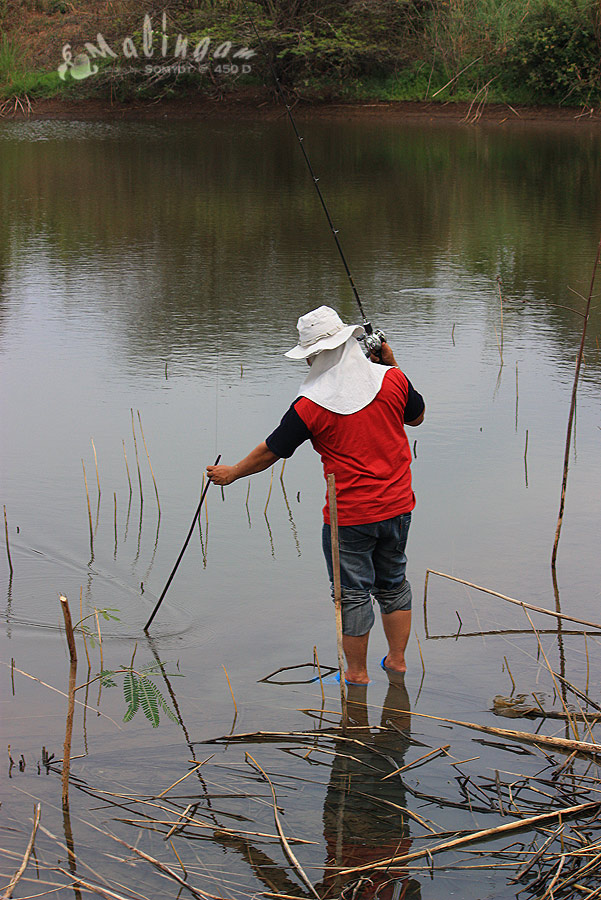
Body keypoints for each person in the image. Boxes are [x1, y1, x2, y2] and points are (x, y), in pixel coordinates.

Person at [207, 306, 424, 684]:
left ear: (314, 355)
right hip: (398, 507)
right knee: (393, 584)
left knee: (353, 595)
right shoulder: (392, 379)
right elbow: (416, 416)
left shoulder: (311, 405)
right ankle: (397, 662)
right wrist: (393, 362)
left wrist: (232, 473)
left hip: (350, 518)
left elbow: (271, 450)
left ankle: (356, 675)